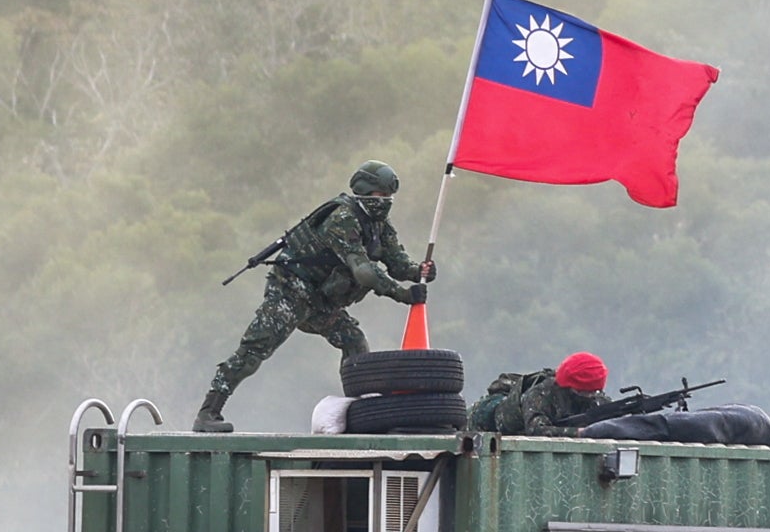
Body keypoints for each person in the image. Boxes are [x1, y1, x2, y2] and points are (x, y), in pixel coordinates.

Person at [196, 162, 432, 432]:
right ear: (365, 192)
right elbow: (364, 272)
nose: (385, 202)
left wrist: (418, 271)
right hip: (291, 292)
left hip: (321, 302)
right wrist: (401, 294)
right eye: (380, 196)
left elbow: (396, 260)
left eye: (389, 197)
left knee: (354, 341)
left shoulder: (379, 225)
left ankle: (358, 414)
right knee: (254, 351)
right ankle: (208, 413)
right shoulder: (343, 219)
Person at [475, 351, 614, 436]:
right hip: (487, 423)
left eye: (593, 392)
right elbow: (536, 430)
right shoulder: (542, 394)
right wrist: (581, 433)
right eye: (584, 392)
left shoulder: (594, 397)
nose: (590, 396)